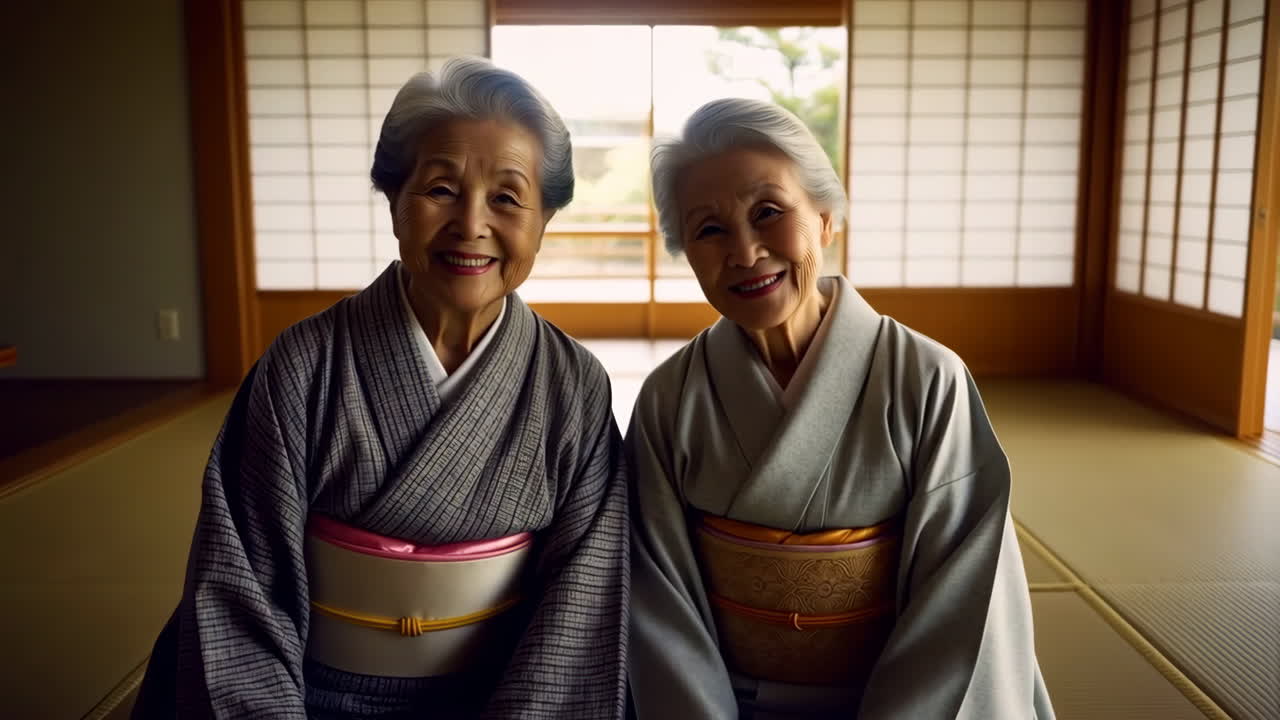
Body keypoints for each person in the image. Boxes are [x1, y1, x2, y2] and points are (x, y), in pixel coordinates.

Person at [133, 57, 629, 719]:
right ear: (395, 200)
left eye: (508, 198)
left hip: (500, 696)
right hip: (310, 696)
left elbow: (580, 604)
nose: (471, 223)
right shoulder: (303, 366)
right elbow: (239, 588)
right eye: (441, 189)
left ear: (544, 221)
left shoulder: (574, 387)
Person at [627, 98, 1053, 719]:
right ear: (685, 249)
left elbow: (964, 598)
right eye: (709, 229)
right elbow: (657, 601)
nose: (744, 253)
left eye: (769, 213)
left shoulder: (928, 380)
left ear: (826, 218)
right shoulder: (670, 397)